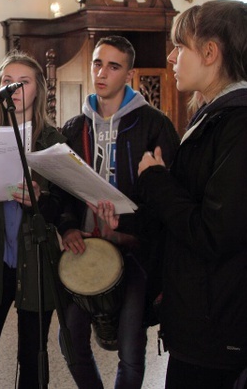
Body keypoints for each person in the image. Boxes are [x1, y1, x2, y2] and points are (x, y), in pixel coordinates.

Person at [137, 0, 247, 388]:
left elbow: (215, 232)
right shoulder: (218, 115)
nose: (171, 57)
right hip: (206, 325)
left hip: (226, 331)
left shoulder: (246, 124)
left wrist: (157, 181)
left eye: (181, 46)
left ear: (210, 53)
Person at [58, 36, 179, 388]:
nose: (102, 72)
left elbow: (168, 196)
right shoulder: (74, 128)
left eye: (113, 66)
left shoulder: (155, 125)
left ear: (129, 73)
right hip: (85, 249)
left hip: (135, 251)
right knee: (71, 341)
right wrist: (67, 227)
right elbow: (64, 194)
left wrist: (128, 231)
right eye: (97, 63)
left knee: (130, 348)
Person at [0, 51, 65, 389]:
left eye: (23, 81)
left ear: (38, 90)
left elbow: (66, 208)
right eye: (7, 81)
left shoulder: (54, 141)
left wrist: (40, 198)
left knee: (32, 358)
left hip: (35, 263)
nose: (14, 87)